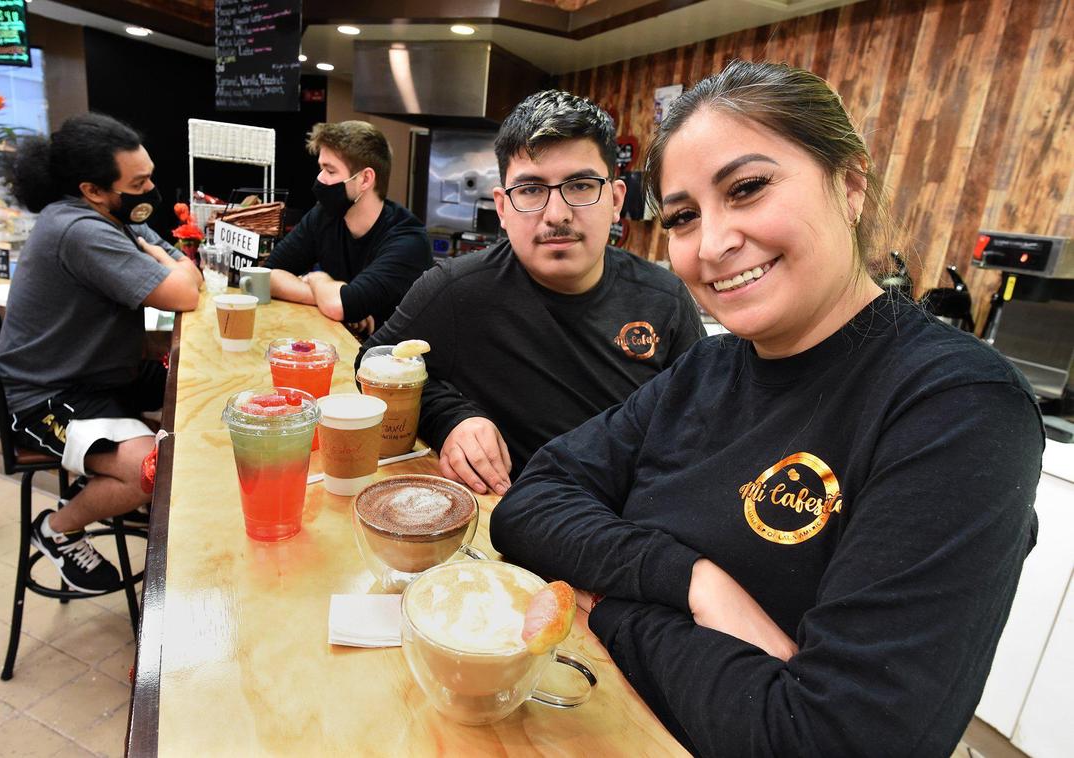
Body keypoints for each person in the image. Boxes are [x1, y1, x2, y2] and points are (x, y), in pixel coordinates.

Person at [490, 61, 1042, 757]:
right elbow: (530, 504)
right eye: (685, 216)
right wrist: (692, 583)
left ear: (849, 185)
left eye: (747, 189)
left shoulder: (956, 407)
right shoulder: (708, 368)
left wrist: (617, 610)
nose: (714, 243)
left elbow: (828, 740)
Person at [363, 90, 704, 496]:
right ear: (502, 209)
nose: (556, 214)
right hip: (502, 526)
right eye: (530, 190)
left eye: (579, 186)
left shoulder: (664, 299)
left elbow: (700, 432)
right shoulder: (456, 290)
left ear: (615, 200)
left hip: (630, 523)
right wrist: (451, 419)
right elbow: (371, 364)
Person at [0, 113, 201, 594]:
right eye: (139, 182)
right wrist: (170, 262)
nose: (151, 189)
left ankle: (177, 525)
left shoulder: (116, 216)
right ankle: (58, 528)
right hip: (48, 395)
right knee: (152, 471)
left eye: (149, 174)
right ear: (92, 189)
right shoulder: (79, 230)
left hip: (108, 374)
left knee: (207, 396)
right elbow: (185, 290)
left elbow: (183, 269)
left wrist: (172, 263)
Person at [264, 120, 432, 336]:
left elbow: (338, 306)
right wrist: (327, 296)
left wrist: (317, 278)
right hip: (344, 348)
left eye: (330, 171)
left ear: (365, 179)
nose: (320, 178)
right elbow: (267, 275)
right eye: (321, 168)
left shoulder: (408, 241)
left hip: (394, 362)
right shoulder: (324, 216)